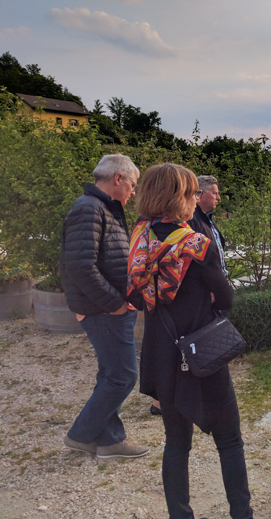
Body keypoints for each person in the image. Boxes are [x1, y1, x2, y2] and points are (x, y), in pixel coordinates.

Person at [126, 163, 271, 519]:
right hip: (200, 352)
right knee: (229, 440)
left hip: (161, 352)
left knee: (176, 444)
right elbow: (226, 297)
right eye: (191, 193)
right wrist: (206, 300)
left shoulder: (140, 238)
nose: (195, 200)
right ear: (177, 198)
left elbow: (139, 297)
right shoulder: (195, 244)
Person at [60, 154, 148, 459]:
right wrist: (114, 305)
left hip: (108, 309)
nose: (134, 192)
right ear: (118, 179)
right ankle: (81, 434)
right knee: (123, 375)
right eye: (132, 185)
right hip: (104, 310)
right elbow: (81, 266)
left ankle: (110, 441)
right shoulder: (89, 208)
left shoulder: (103, 208)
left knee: (111, 374)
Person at [150, 174, 227, 417]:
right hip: (192, 305)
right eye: (212, 193)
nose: (218, 197)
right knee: (192, 349)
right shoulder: (189, 227)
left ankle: (170, 399)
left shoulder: (144, 232)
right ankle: (178, 399)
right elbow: (190, 266)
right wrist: (213, 292)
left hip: (170, 309)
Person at [190, 175, 228, 277]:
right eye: (214, 193)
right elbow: (195, 262)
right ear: (201, 194)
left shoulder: (208, 219)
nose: (218, 198)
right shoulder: (192, 221)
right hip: (205, 288)